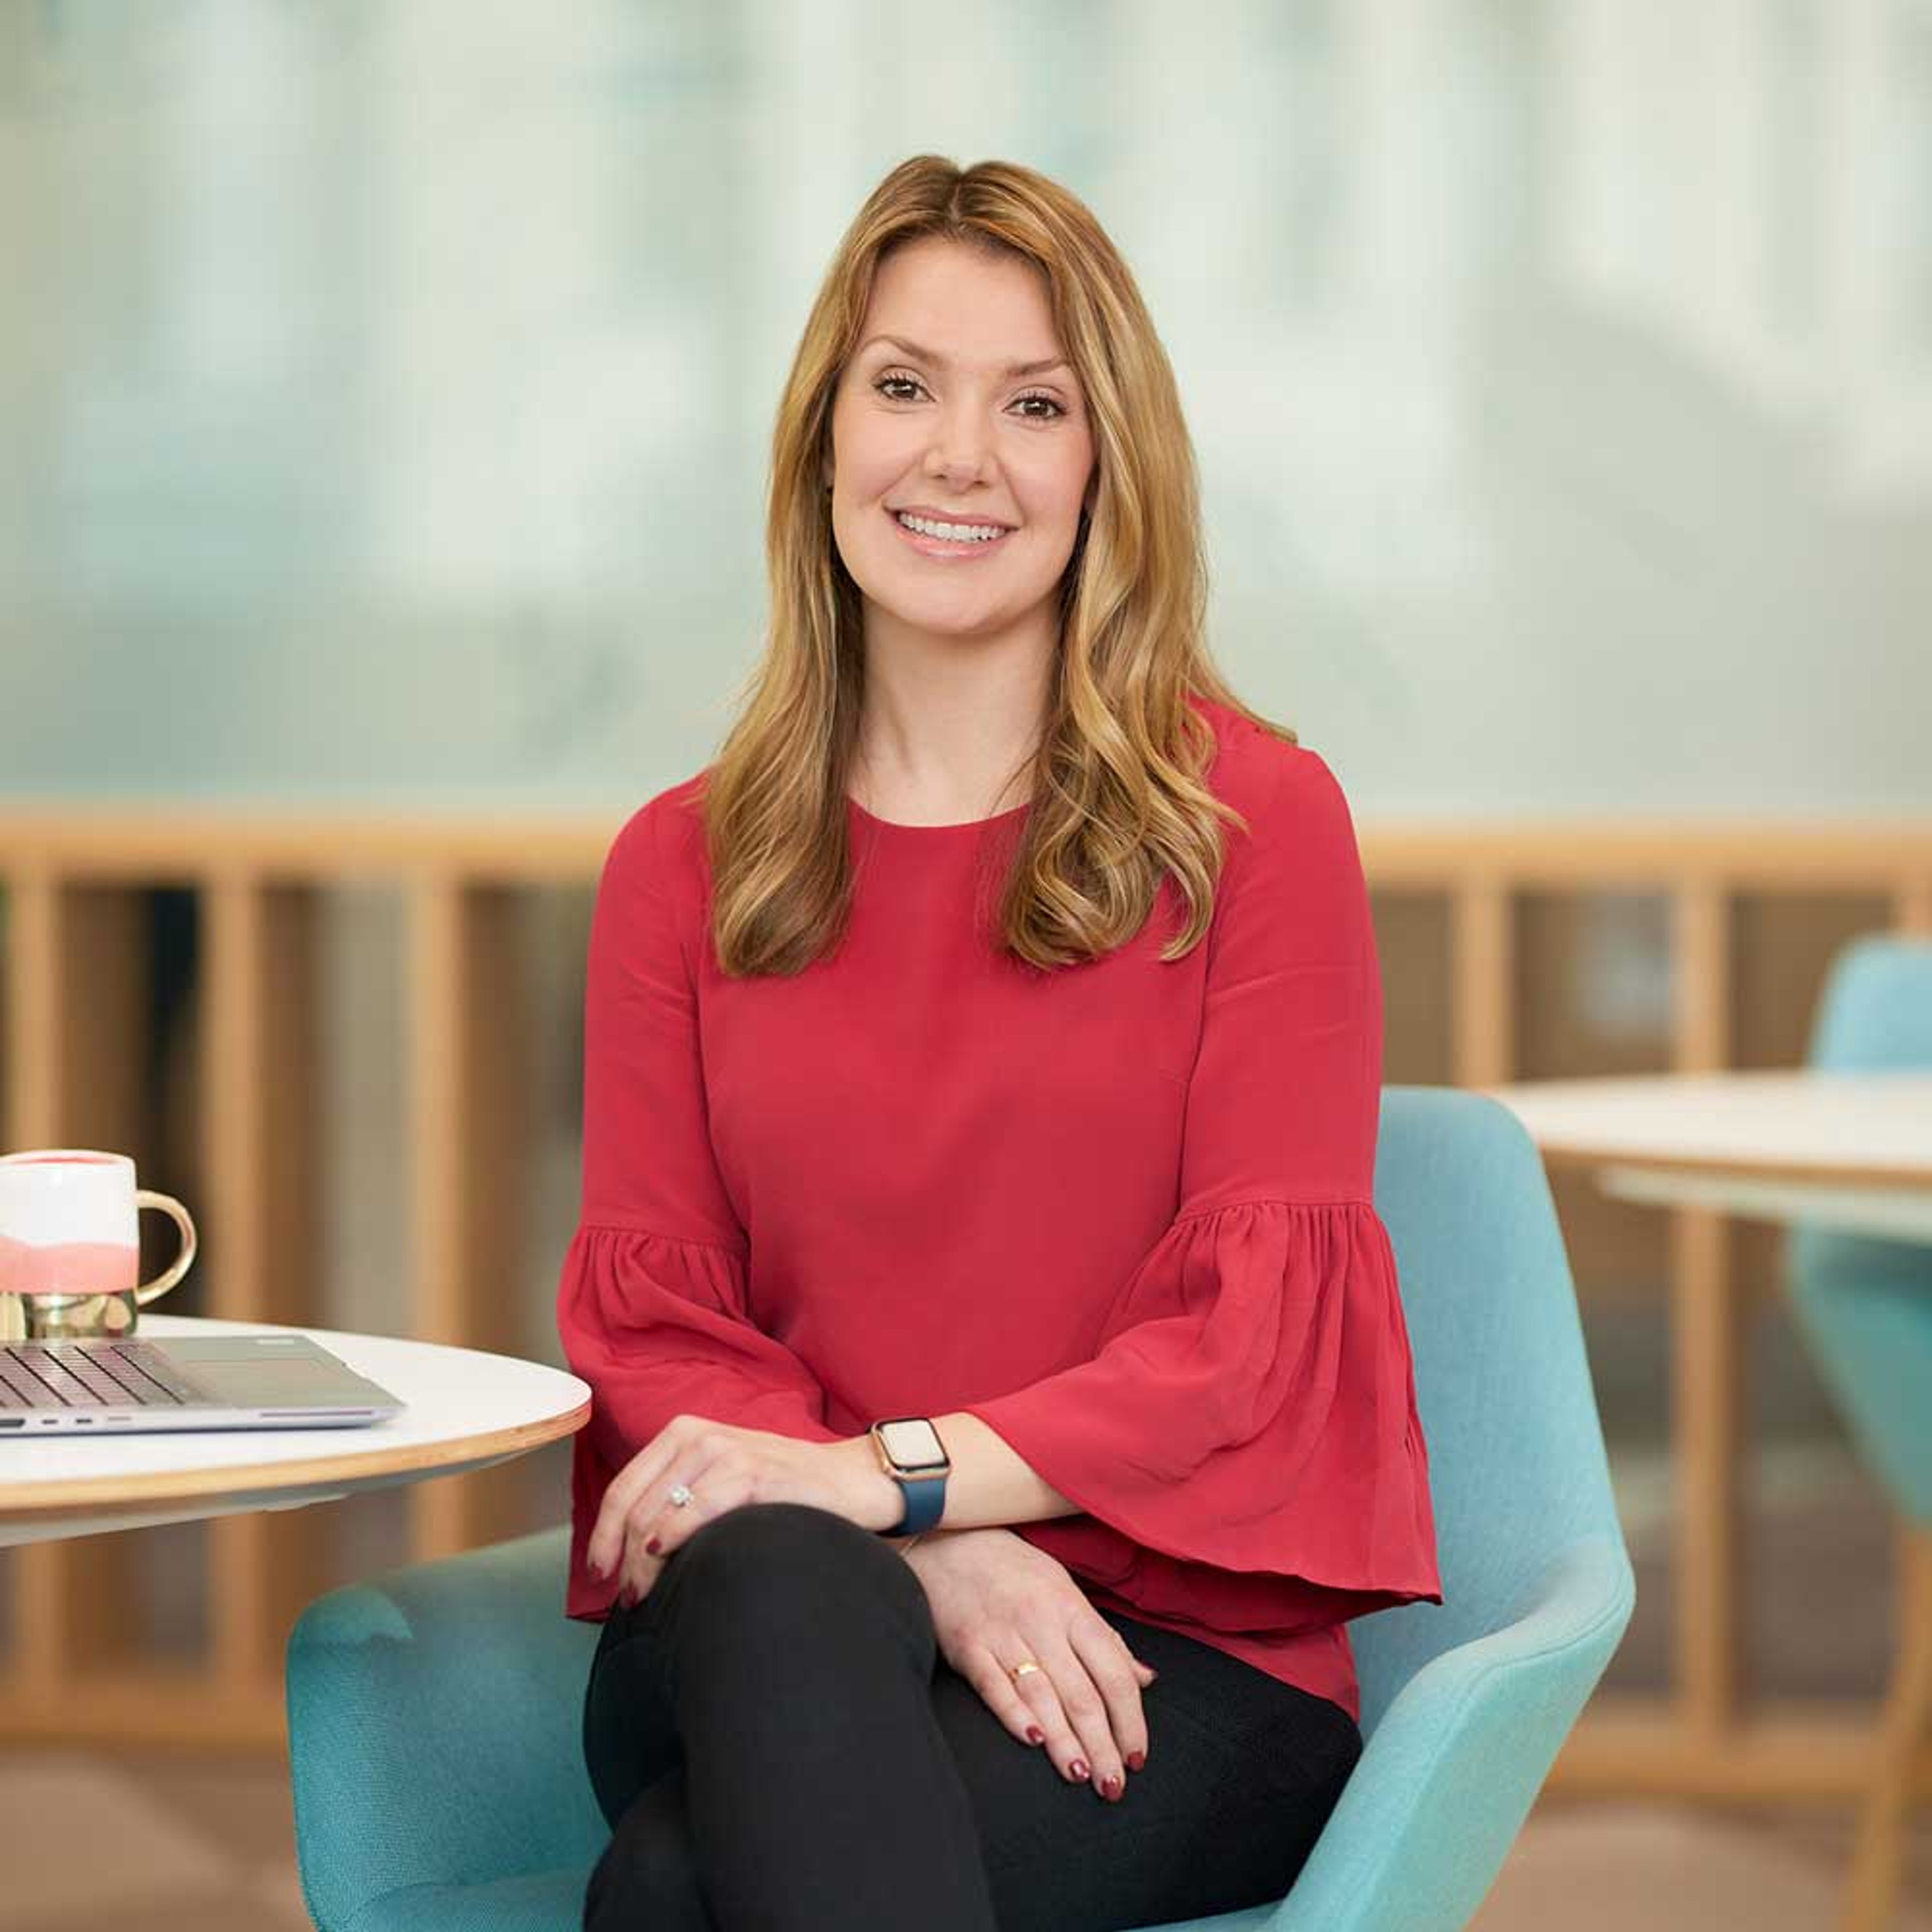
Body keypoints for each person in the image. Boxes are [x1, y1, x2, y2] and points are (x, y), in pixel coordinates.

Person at [555, 152, 1442, 1932]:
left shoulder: (1251, 825)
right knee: (781, 1583)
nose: (958, 455)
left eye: (1031, 404)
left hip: (1179, 1657)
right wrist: (922, 1537)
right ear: (824, 444)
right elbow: (666, 1337)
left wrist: (870, 1481)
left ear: (1107, 467)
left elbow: (1244, 1356)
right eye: (905, 387)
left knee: (670, 1894)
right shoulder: (679, 866)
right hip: (768, 1609)